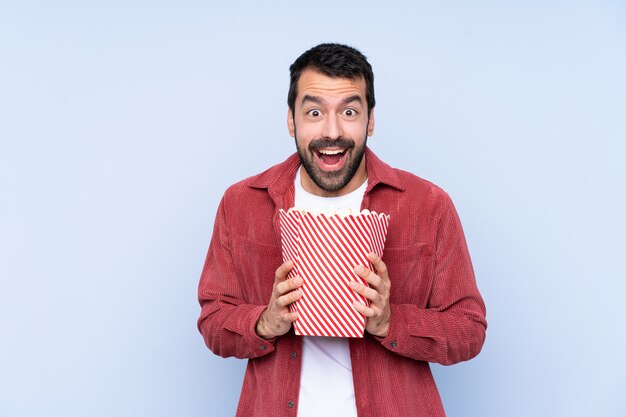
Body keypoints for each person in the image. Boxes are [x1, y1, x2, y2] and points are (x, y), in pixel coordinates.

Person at [197, 43, 487, 417]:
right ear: (291, 120)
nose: (331, 131)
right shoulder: (242, 204)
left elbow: (469, 330)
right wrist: (264, 322)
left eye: (349, 111)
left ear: (370, 120)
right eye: (314, 112)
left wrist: (390, 322)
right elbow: (213, 321)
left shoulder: (428, 205)